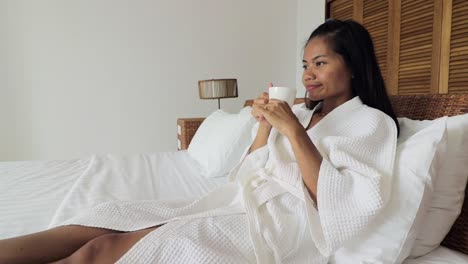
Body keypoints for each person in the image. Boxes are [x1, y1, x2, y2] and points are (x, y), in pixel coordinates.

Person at [0, 19, 400, 264]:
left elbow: (339, 205)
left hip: (281, 225)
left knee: (100, 252)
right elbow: (248, 169)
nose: (308, 74)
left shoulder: (371, 124)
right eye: (304, 65)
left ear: (353, 65)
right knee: (103, 221)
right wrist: (264, 124)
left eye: (320, 63)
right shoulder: (302, 112)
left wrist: (293, 133)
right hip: (239, 200)